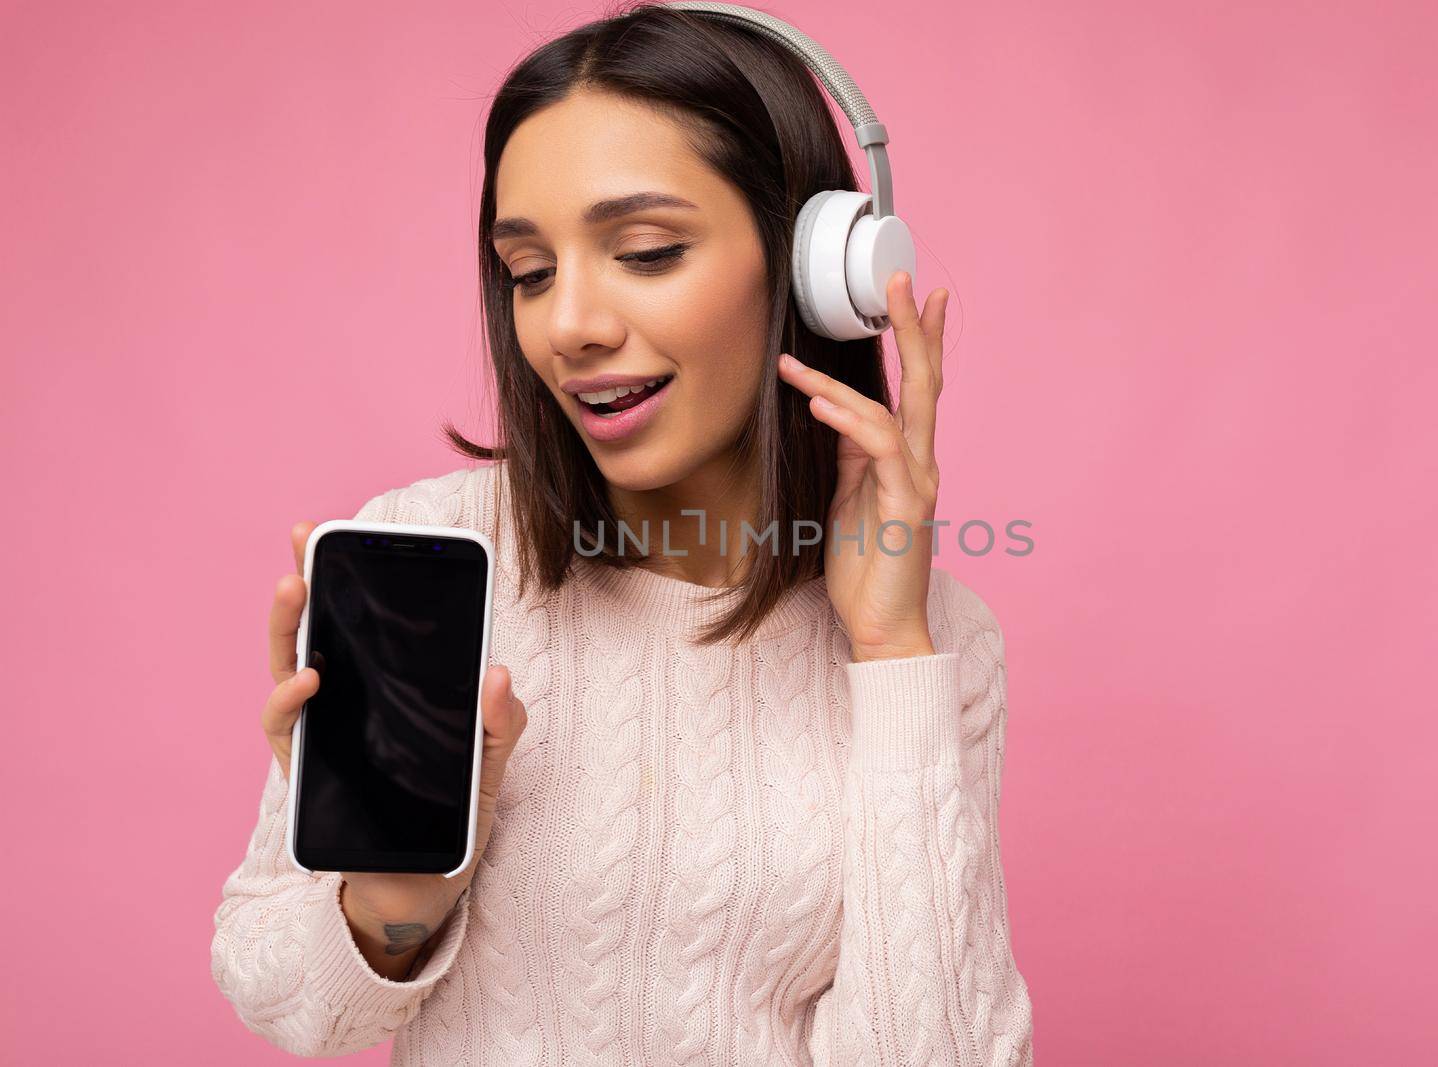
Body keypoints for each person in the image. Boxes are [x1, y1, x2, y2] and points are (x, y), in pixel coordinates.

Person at [209, 4, 1034, 1063]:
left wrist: (889, 652)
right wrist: (396, 895)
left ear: (814, 274)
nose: (568, 325)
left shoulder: (935, 646)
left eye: (643, 251)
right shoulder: (424, 557)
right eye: (529, 271)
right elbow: (294, 1009)